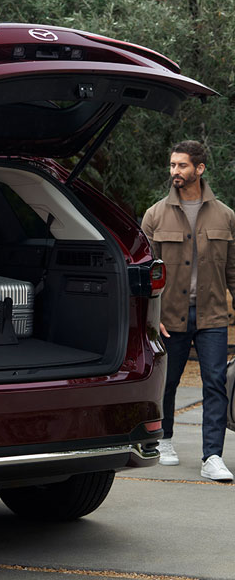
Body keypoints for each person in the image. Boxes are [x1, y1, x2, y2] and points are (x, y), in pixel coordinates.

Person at [141, 140, 235, 481]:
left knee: (215, 384)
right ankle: (165, 439)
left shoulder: (225, 216)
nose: (175, 171)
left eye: (182, 165)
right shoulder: (155, 215)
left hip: (212, 316)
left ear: (200, 168)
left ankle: (212, 457)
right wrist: (153, 317)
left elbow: (234, 271)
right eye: (172, 165)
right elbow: (144, 272)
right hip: (169, 317)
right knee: (168, 382)